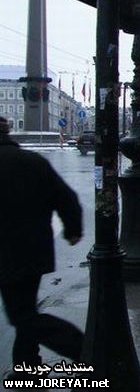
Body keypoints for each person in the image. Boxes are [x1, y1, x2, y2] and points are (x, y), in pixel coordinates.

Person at [0, 117, 84, 371]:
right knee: (24, 308)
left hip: (6, 252)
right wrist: (73, 230)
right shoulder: (33, 162)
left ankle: (84, 347)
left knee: (22, 315)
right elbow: (67, 198)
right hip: (34, 250)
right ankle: (28, 368)